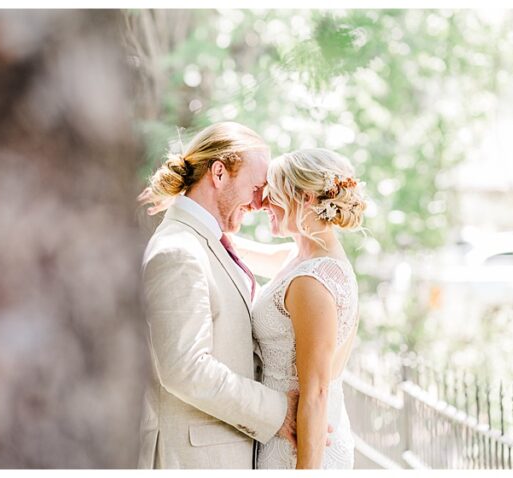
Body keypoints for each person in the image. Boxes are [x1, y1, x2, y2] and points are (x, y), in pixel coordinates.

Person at [136, 122, 296, 468]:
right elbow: (185, 369)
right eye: (256, 187)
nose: (259, 202)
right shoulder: (178, 251)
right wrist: (277, 411)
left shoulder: (204, 241)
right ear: (219, 173)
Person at [235, 148, 366, 468]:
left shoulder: (312, 282)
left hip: (298, 450)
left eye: (273, 191)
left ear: (306, 198)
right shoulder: (298, 260)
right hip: (280, 435)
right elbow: (233, 246)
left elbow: (316, 392)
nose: (263, 202)